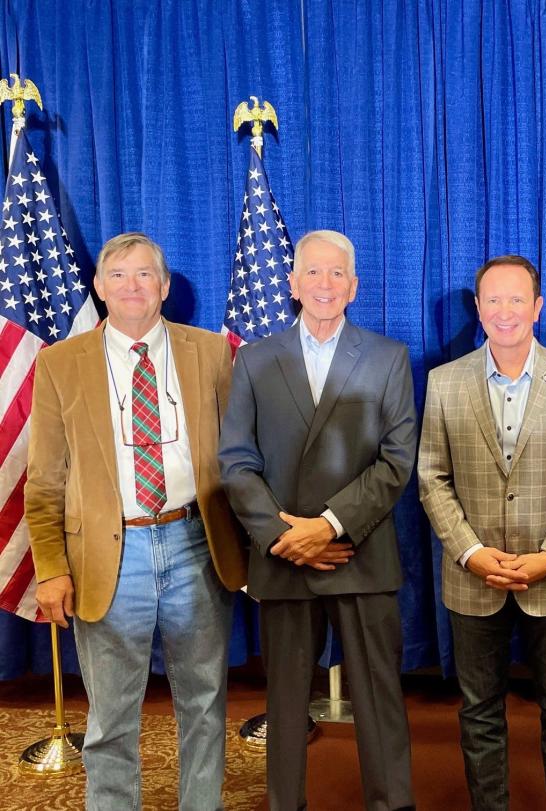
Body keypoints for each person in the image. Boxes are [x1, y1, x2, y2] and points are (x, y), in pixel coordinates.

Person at [26, 232, 247, 809]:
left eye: (145, 274)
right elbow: (44, 480)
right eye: (118, 275)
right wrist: (50, 567)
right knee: (112, 716)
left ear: (166, 286)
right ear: (98, 288)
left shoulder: (211, 352)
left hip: (195, 545)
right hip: (107, 556)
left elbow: (240, 457)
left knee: (204, 703)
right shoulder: (59, 365)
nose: (132, 286)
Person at [218, 229, 417, 811]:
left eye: (336, 273)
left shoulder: (388, 357)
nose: (324, 284)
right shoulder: (255, 360)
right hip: (283, 560)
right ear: (292, 284)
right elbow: (235, 461)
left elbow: (397, 460)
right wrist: (285, 536)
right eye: (313, 272)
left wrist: (327, 527)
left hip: (362, 553)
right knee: (284, 704)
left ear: (353, 286)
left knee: (379, 700)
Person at [418, 254, 546, 811]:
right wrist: (471, 553)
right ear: (478, 309)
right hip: (472, 579)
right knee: (479, 713)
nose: (505, 311)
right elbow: (432, 478)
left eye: (516, 299)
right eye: (493, 300)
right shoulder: (443, 382)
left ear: (538, 306)